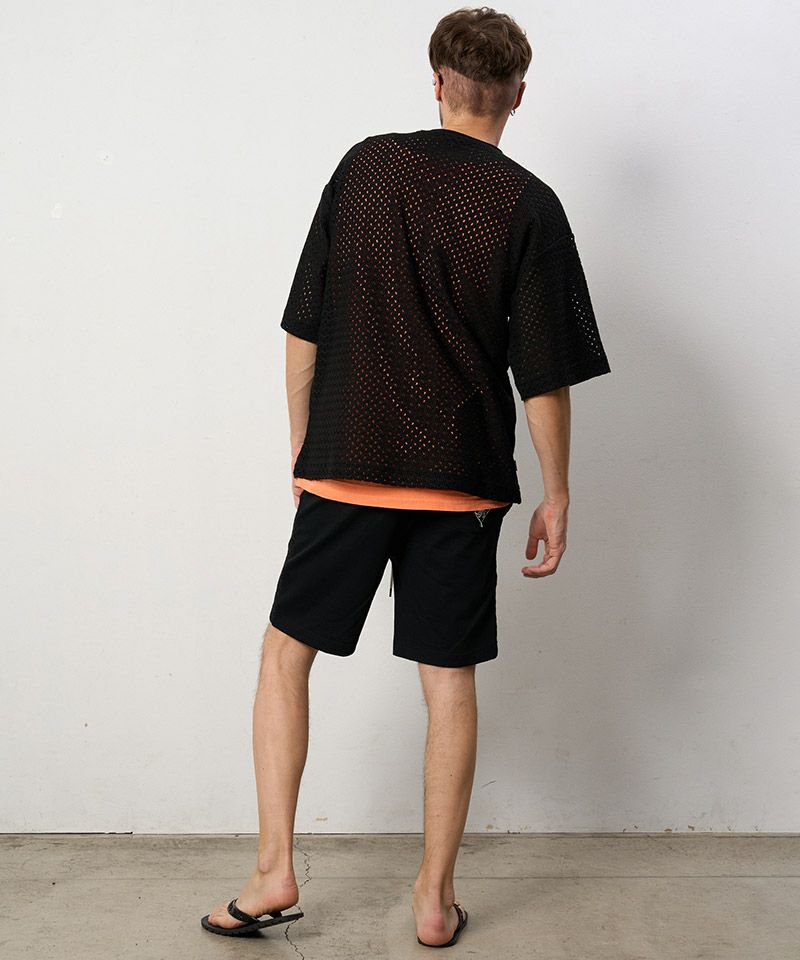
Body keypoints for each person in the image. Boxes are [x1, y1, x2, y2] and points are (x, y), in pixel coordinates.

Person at [202, 5, 611, 948]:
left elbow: (303, 323)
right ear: (517, 95)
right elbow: (543, 377)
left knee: (285, 657)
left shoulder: (365, 168)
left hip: (347, 467)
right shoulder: (530, 204)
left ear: (437, 83)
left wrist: (305, 449)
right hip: (461, 481)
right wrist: (557, 493)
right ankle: (433, 900)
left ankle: (273, 871)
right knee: (448, 683)